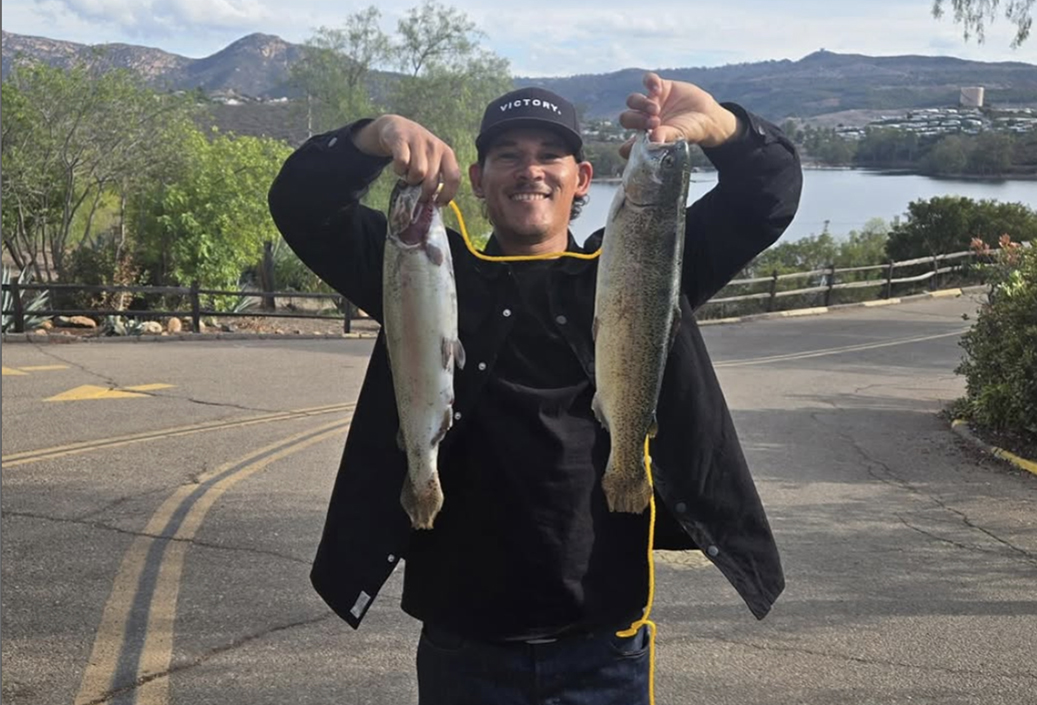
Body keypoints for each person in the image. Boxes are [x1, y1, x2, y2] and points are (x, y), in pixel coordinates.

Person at [268, 72, 802, 705]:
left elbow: (766, 197)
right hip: (462, 648)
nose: (531, 171)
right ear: (477, 178)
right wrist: (371, 136)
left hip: (605, 647)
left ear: (583, 178)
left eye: (550, 155)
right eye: (509, 156)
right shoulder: (419, 265)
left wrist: (724, 128)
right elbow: (301, 205)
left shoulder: (647, 260)